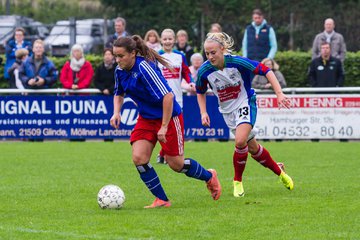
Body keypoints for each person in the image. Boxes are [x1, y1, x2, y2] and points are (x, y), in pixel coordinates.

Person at [110, 35, 221, 208]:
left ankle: (209, 176)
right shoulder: (119, 70)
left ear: (132, 53)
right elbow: (118, 93)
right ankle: (162, 199)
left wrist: (163, 127)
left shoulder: (145, 69)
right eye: (115, 56)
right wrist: (116, 112)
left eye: (121, 56)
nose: (117, 60)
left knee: (175, 164)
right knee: (139, 158)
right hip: (146, 118)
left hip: (169, 117)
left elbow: (168, 97)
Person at [196, 32, 294, 197]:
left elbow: (266, 70)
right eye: (207, 53)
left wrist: (279, 93)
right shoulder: (204, 70)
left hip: (246, 103)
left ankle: (237, 181)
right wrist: (203, 112)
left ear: (222, 49)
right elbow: (200, 91)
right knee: (253, 148)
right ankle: (280, 172)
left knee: (240, 141)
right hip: (227, 112)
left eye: (213, 52)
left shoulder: (237, 62)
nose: (210, 56)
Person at [157, 28, 196, 164]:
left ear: (174, 40)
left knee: (176, 128)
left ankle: (168, 155)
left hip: (177, 98)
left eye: (170, 39)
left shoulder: (180, 56)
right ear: (161, 40)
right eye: (165, 39)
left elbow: (186, 71)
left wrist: (190, 82)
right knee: (163, 127)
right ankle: (164, 154)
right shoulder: (156, 55)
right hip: (160, 99)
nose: (167, 41)